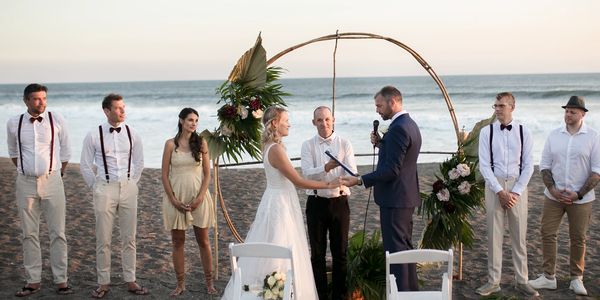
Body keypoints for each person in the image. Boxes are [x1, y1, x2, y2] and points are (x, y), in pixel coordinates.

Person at [222, 106, 341, 300]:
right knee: (281, 247)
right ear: (275, 123)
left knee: (276, 246)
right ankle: (280, 292)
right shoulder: (276, 149)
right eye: (286, 120)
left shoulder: (271, 145)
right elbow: (299, 181)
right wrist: (329, 183)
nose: (289, 124)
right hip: (280, 204)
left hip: (277, 199)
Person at [341, 85, 421, 291]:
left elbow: (392, 170)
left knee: (396, 252)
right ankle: (411, 293)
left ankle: (401, 294)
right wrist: (382, 144)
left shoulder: (399, 129)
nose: (377, 110)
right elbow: (401, 159)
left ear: (392, 102)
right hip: (405, 197)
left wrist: (360, 180)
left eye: (379, 105)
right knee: (405, 250)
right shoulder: (409, 124)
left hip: (395, 199)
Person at [528, 96, 600, 296]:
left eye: (573, 112)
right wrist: (552, 189)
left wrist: (578, 194)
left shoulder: (593, 137)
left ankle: (576, 278)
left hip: (582, 199)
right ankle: (548, 277)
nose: (568, 114)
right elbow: (544, 165)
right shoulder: (554, 135)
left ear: (583, 114)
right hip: (553, 197)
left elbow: (597, 171)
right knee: (547, 233)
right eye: (566, 111)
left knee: (578, 238)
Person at [6, 83, 73, 296]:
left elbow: (65, 151)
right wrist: (27, 171)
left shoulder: (57, 120)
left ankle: (61, 280)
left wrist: (55, 173)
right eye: (36, 98)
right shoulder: (13, 123)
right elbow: (13, 151)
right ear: (26, 100)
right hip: (25, 183)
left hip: (53, 181)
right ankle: (32, 280)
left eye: (43, 98)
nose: (41, 102)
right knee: (29, 233)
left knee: (58, 233)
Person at [80, 93, 147, 298]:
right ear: (106, 111)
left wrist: (131, 184)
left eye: (123, 107)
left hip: (128, 188)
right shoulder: (93, 134)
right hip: (104, 188)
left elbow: (139, 163)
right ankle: (103, 282)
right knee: (104, 239)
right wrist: (96, 187)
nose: (122, 111)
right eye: (118, 108)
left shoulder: (132, 133)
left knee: (129, 237)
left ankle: (130, 279)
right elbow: (84, 164)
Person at [476, 92, 538, 296]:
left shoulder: (524, 132)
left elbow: (529, 166)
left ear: (512, 106)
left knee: (519, 236)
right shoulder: (487, 132)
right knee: (494, 236)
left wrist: (515, 192)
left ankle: (522, 281)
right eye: (495, 105)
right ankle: (493, 282)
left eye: (501, 105)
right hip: (494, 186)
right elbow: (484, 165)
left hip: (517, 186)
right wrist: (500, 191)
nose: (497, 109)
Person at [300, 106, 357, 300]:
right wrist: (325, 167)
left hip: (339, 202)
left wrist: (344, 173)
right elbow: (306, 173)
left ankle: (339, 296)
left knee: (340, 252)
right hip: (316, 202)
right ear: (313, 122)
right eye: (319, 120)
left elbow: (351, 172)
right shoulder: (307, 145)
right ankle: (320, 295)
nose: (323, 123)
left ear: (333, 120)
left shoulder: (344, 143)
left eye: (326, 119)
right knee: (317, 254)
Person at [161, 108, 217, 296]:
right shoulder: (170, 144)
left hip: (198, 198)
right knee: (178, 242)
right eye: (190, 120)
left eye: (196, 121)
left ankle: (209, 283)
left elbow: (207, 173)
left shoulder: (201, 143)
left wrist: (201, 197)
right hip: (176, 197)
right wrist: (173, 200)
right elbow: (164, 175)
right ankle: (180, 284)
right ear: (181, 121)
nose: (194, 123)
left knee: (203, 241)